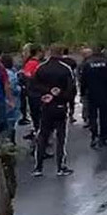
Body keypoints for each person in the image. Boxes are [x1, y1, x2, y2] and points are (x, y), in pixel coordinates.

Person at [32, 44, 75, 177]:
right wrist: (62, 97)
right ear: (61, 53)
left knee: (43, 136)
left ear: (49, 52)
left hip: (46, 106)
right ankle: (60, 167)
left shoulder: (41, 68)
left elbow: (33, 86)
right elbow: (71, 89)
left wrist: (45, 95)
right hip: (60, 106)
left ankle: (38, 167)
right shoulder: (65, 69)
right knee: (61, 137)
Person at [81, 47, 107, 148]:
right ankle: (103, 137)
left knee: (93, 116)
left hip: (92, 93)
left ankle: (94, 135)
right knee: (105, 116)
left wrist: (82, 93)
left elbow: (83, 80)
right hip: (105, 93)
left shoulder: (87, 64)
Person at [22, 44, 45, 140]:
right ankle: (39, 135)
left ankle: (38, 132)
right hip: (36, 93)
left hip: (33, 93)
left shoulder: (30, 63)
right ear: (39, 52)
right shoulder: (34, 64)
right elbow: (29, 78)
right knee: (38, 116)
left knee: (37, 115)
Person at [0, 55, 22, 144]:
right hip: (11, 101)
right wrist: (20, 88)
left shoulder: (0, 73)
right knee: (11, 123)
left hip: (2, 101)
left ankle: (6, 143)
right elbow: (13, 88)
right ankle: (10, 143)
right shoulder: (11, 74)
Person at [61, 47, 78, 124]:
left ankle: (63, 114)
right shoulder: (72, 61)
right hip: (70, 83)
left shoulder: (60, 61)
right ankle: (71, 115)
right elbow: (74, 73)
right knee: (72, 100)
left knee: (62, 100)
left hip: (61, 83)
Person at [18, 43, 32, 126]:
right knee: (23, 100)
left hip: (28, 83)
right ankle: (24, 116)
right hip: (23, 83)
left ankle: (25, 115)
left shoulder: (30, 61)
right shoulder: (23, 60)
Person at [79, 47, 93, 126]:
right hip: (88, 88)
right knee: (86, 104)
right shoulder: (83, 64)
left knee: (87, 104)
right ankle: (88, 119)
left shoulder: (84, 64)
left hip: (87, 88)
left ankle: (88, 119)